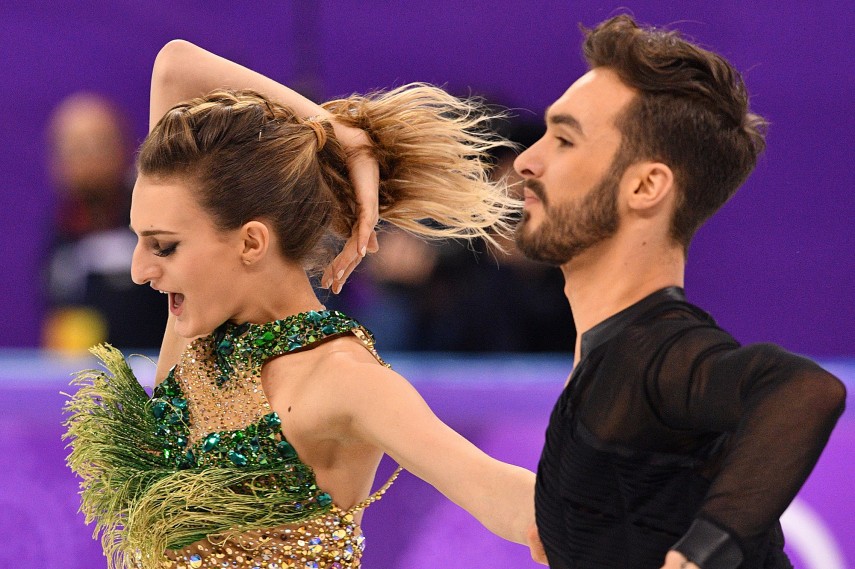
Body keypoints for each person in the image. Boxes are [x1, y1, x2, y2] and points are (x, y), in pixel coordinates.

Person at [337, 14, 847, 569]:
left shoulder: (651, 352)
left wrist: (699, 554)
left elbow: (804, 390)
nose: (527, 163)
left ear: (646, 186)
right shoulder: (614, 352)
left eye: (564, 139)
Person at [64, 40, 539, 569]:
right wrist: (340, 136)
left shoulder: (341, 376)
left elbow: (499, 494)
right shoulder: (197, 335)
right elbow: (174, 67)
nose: (139, 270)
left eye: (164, 246)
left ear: (250, 243)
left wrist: (635, 531)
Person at [44, 92, 167, 351]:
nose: (87, 161)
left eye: (96, 145)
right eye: (74, 150)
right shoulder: (61, 237)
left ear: (124, 149)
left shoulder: (158, 220)